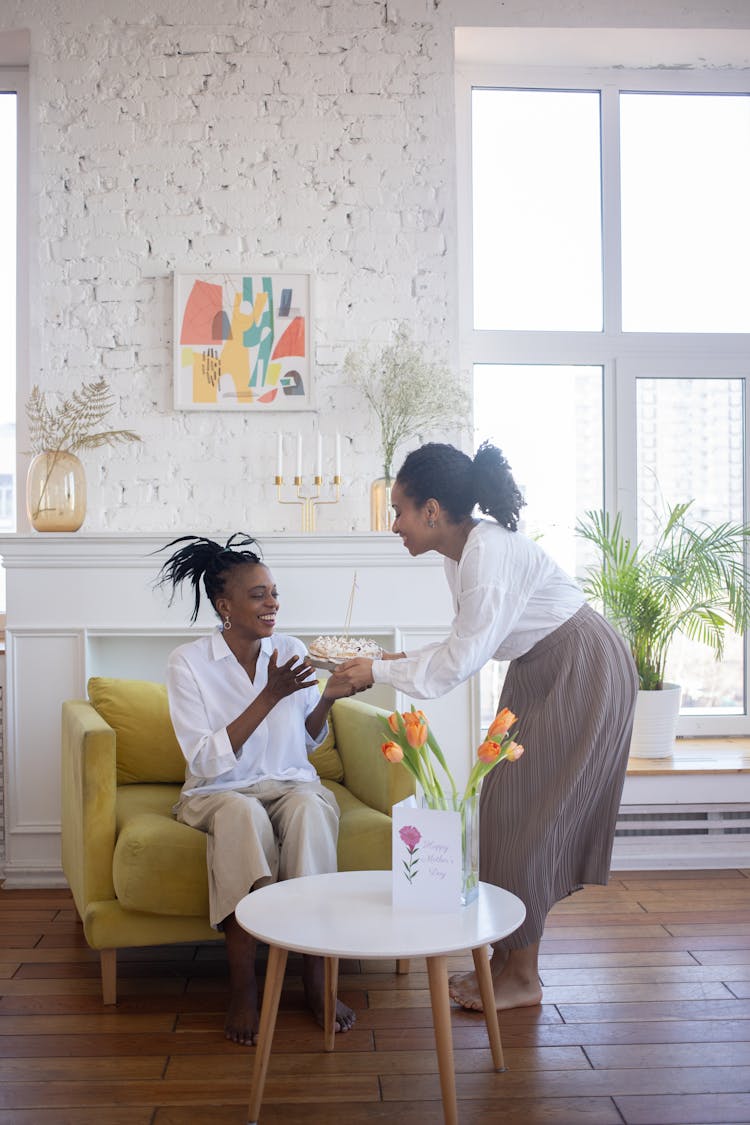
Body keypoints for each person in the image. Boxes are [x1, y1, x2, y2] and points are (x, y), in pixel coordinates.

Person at [336, 442, 638, 1013]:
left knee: (528, 814)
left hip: (580, 667)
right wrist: (389, 661)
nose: (393, 525)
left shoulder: (486, 554)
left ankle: (522, 978)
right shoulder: (463, 555)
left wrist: (377, 670)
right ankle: (506, 965)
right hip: (541, 667)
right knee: (501, 808)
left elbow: (460, 660)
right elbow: (464, 644)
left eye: (398, 511)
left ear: (430, 510)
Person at [157, 533, 357, 1046]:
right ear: (225, 606)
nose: (273, 603)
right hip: (217, 789)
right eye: (258, 594)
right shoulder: (189, 663)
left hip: (288, 782)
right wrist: (268, 696)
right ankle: (243, 986)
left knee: (313, 808)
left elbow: (305, 741)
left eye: (274, 592)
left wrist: (328, 699)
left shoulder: (290, 651)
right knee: (241, 817)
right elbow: (203, 758)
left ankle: (315, 975)